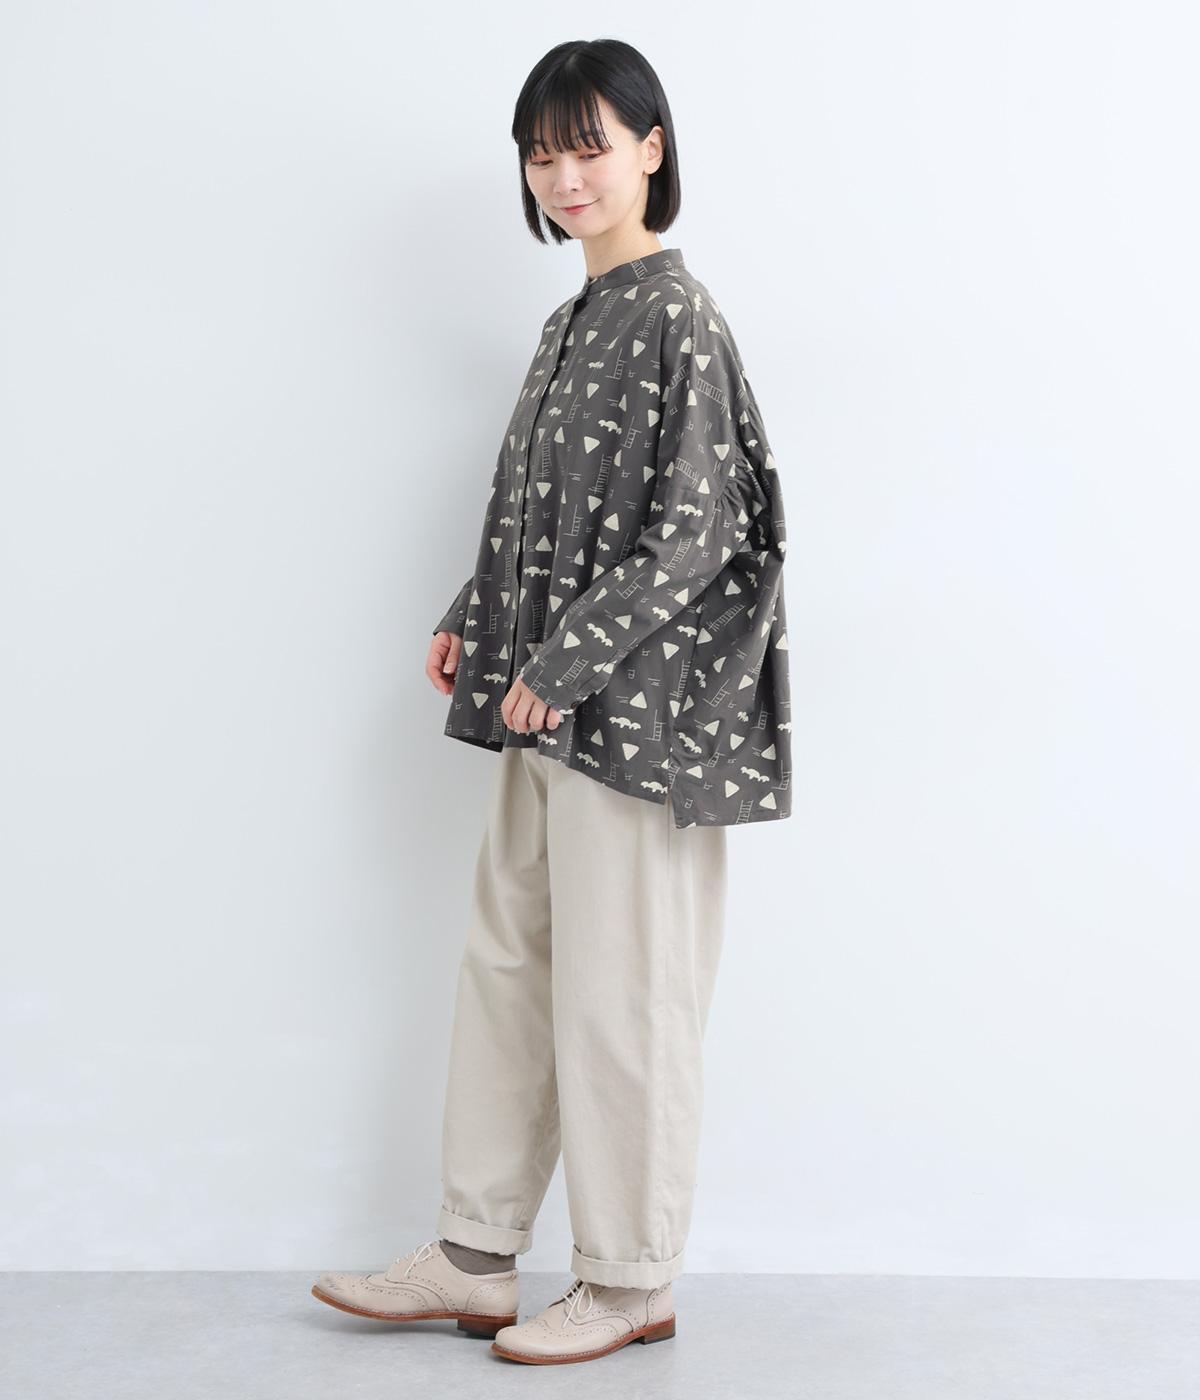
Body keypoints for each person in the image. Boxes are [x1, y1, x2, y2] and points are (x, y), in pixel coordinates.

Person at [312, 37, 791, 1366]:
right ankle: (473, 1257)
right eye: (542, 152)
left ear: (652, 148)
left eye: (591, 145)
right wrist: (474, 616)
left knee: (624, 1003)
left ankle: (630, 1283)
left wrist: (560, 664)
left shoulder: (678, 317)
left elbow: (697, 535)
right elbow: (547, 514)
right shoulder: (572, 320)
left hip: (634, 729)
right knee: (511, 972)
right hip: (546, 708)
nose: (565, 175)